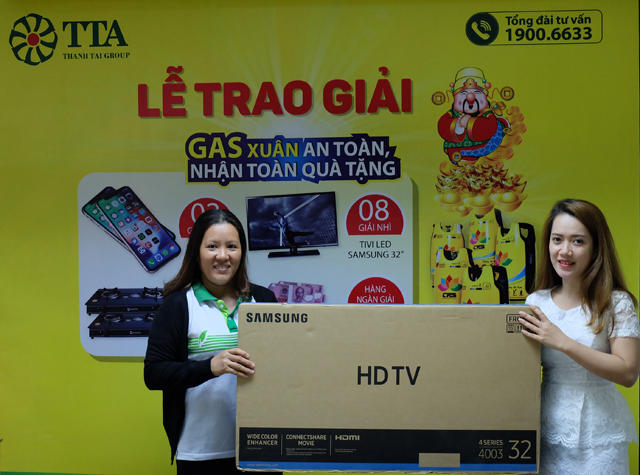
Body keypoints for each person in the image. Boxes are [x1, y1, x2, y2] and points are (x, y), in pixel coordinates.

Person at [144, 209, 279, 475]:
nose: (222, 256)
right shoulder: (178, 305)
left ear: (242, 252)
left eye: (232, 246)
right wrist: (210, 367)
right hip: (200, 451)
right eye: (212, 246)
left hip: (261, 449)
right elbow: (154, 374)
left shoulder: (264, 299)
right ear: (197, 253)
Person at [518, 199, 640, 474]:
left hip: (600, 438)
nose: (565, 250)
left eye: (578, 241)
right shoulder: (536, 302)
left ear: (596, 247)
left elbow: (628, 372)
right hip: (546, 430)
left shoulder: (616, 303)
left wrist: (563, 342)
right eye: (557, 239)